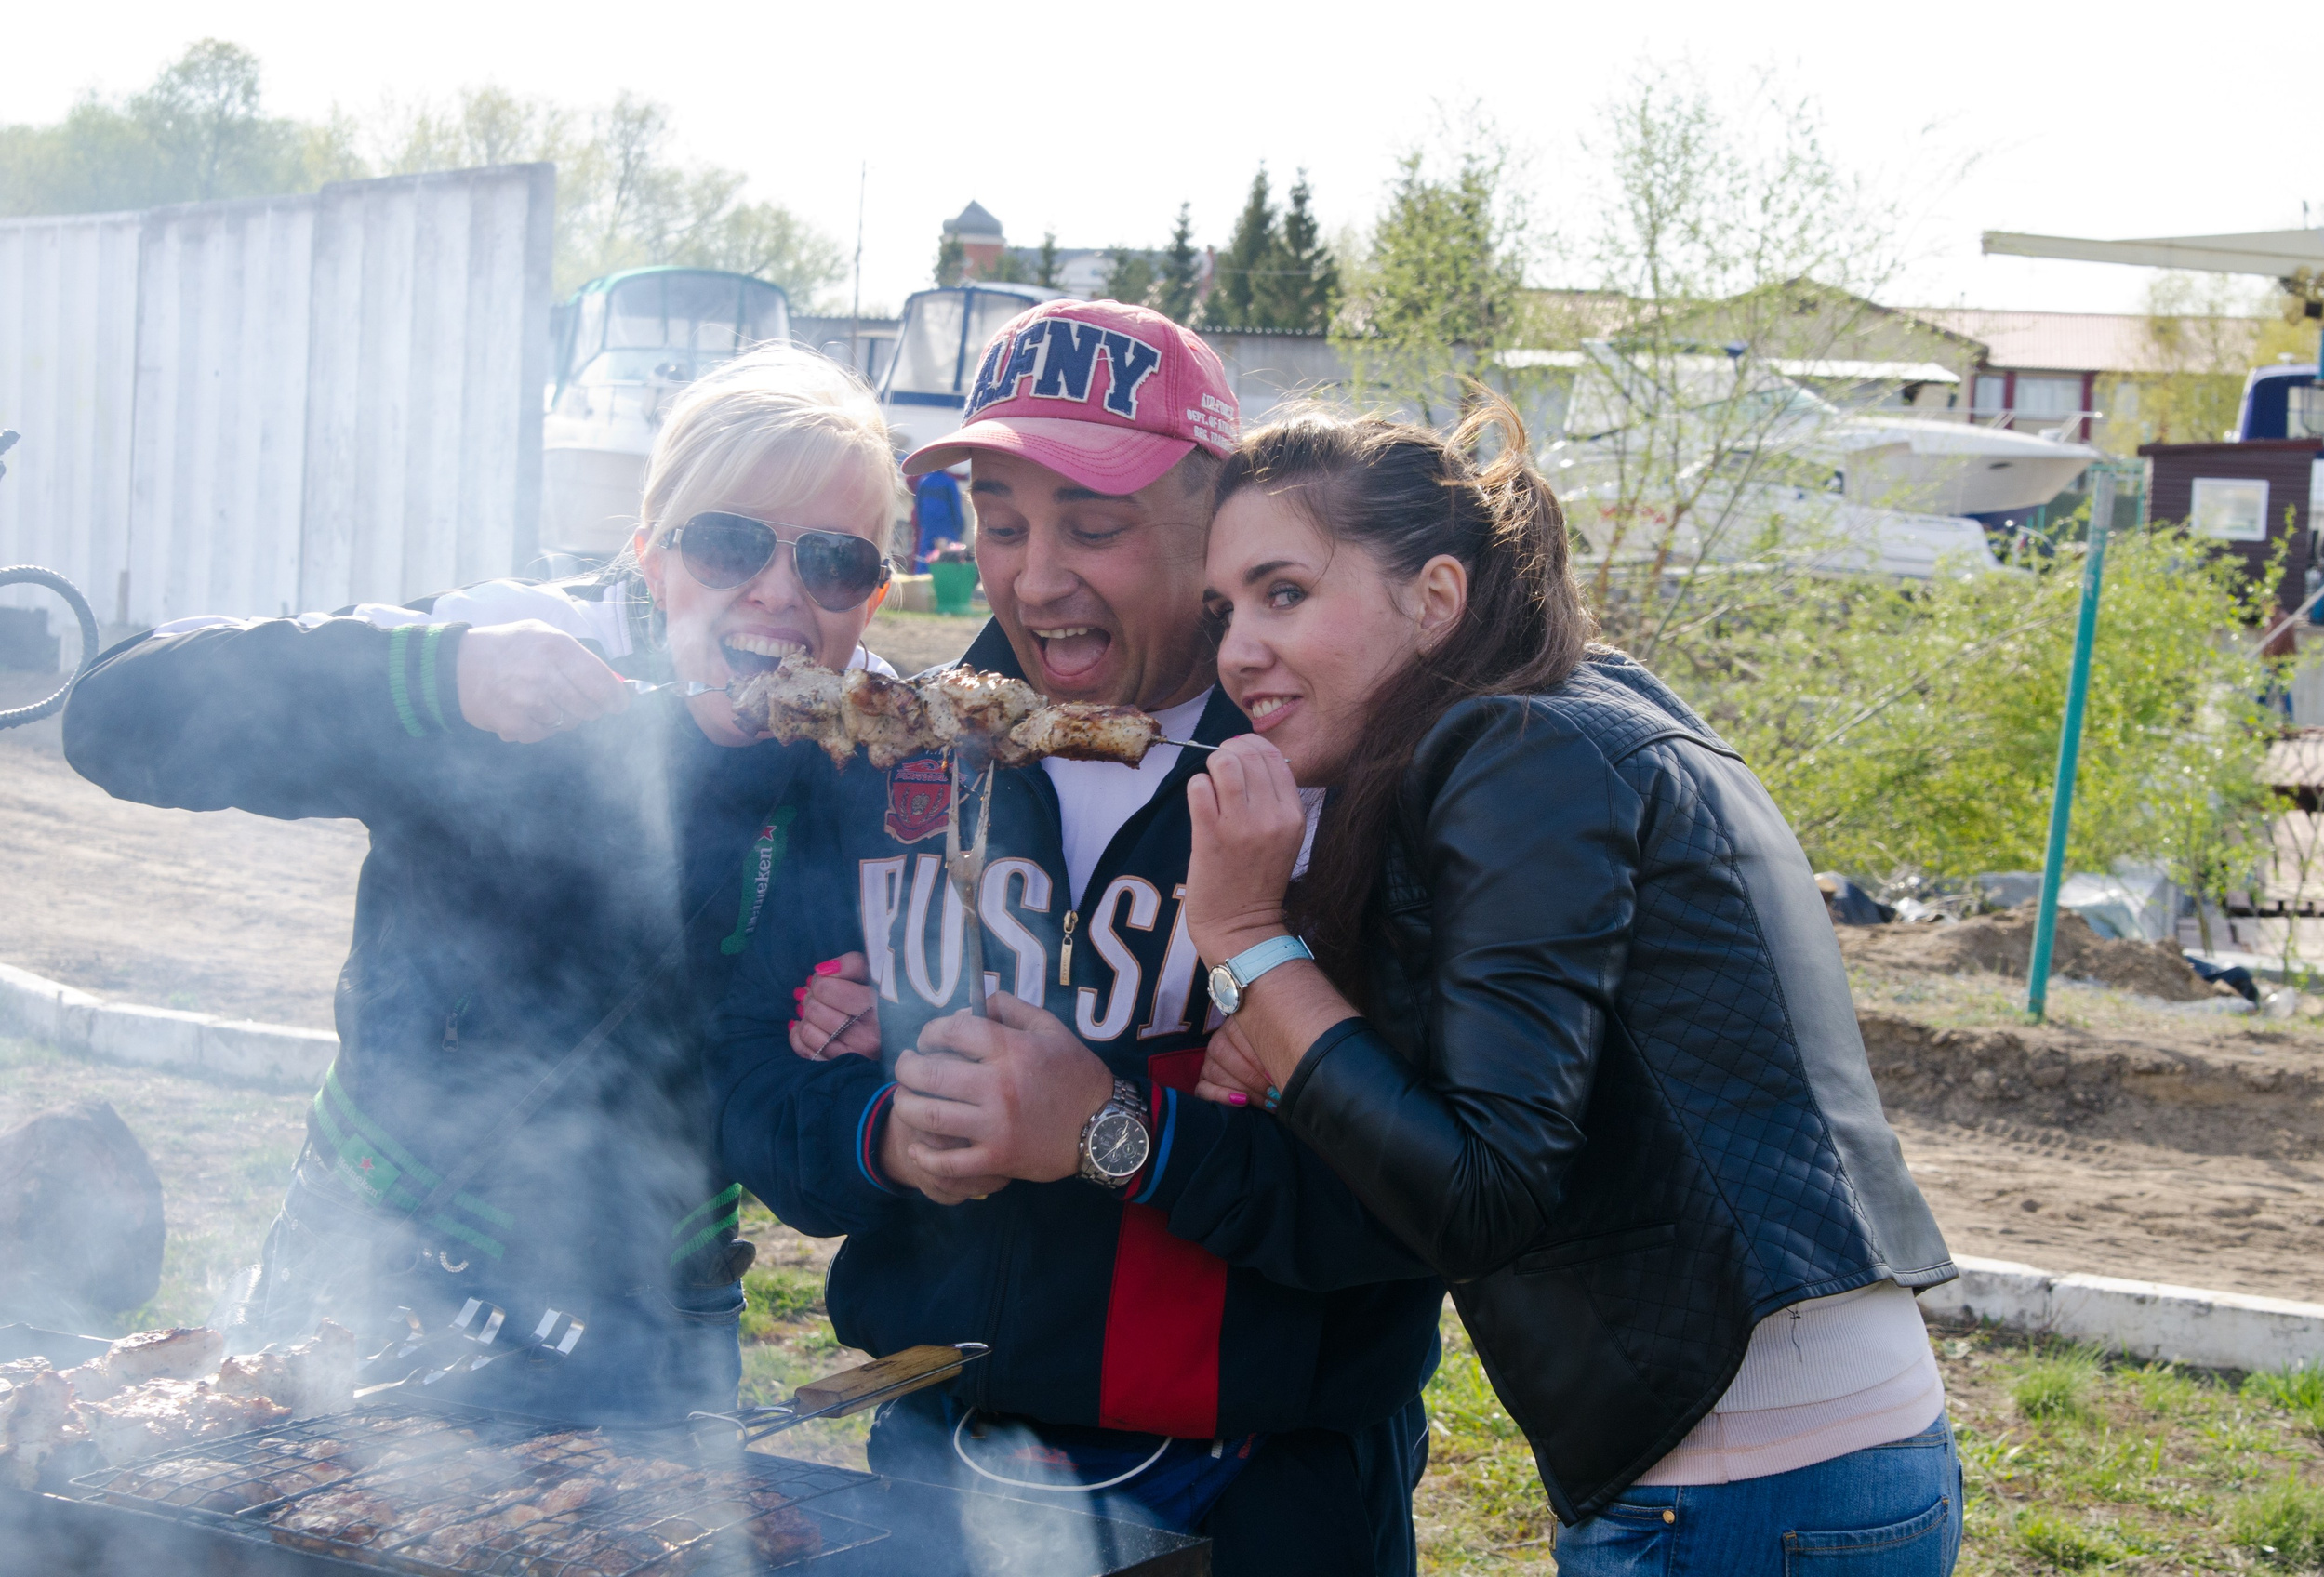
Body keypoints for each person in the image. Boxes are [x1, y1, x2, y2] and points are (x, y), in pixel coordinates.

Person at [709, 299, 1443, 1573]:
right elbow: (747, 1076)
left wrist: (1113, 1130)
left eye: (1091, 527)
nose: (1036, 576)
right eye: (1000, 524)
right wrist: (889, 1131)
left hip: (1270, 1492)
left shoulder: (1337, 766)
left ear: (1212, 515)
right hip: (947, 1458)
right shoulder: (900, 754)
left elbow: (1422, 1201)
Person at [1177, 397, 1963, 1575]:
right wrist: (1304, 1042)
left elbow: (1484, 1191)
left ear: (1434, 599)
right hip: (1827, 1462)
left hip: (1735, 1489)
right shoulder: (1600, 704)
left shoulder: (1517, 750)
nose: (1237, 648)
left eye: (1283, 592)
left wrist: (1246, 941)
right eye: (1223, 607)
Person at [61, 346, 901, 1424]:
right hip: (378, 1259)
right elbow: (112, 715)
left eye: (833, 561)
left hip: (657, 1309)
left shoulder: (874, 758)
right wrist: (436, 679)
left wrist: (850, 1063)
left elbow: (804, 1160)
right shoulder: (516, 645)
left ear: (872, 594)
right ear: (651, 556)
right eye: (730, 542)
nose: (780, 591)